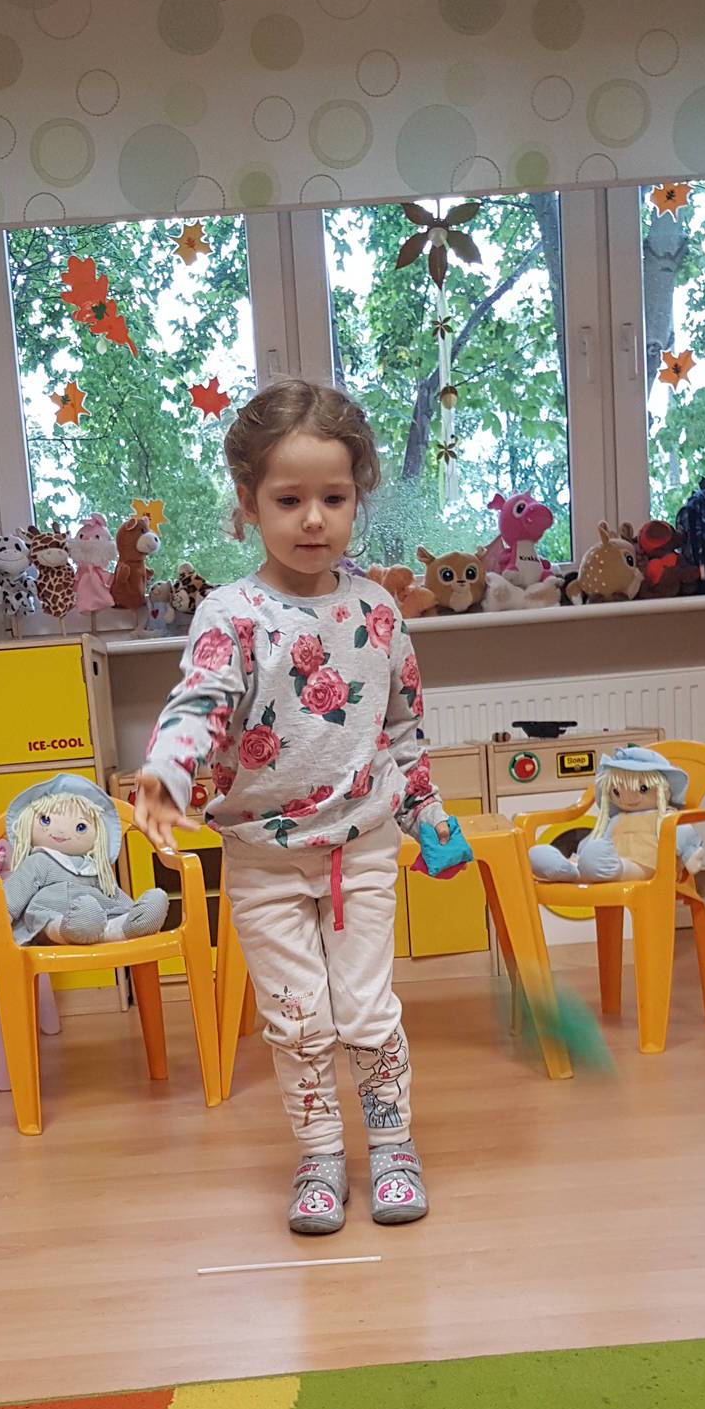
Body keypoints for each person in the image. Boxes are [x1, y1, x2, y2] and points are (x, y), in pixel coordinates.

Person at [134, 379, 448, 1236]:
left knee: (367, 1010)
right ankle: (319, 1156)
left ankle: (393, 1148)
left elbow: (403, 729)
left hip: (362, 848)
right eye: (289, 499)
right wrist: (167, 772)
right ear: (248, 503)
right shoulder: (230, 614)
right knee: (298, 1020)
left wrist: (426, 813)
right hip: (265, 861)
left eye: (334, 498)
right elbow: (200, 701)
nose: (314, 519)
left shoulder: (379, 610)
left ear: (357, 498)